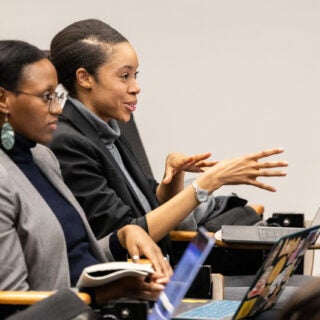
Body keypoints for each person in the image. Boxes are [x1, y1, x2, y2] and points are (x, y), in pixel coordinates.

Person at [49, 18, 288, 262]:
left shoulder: (107, 128)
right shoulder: (68, 142)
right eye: (124, 76)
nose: (136, 87)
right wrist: (210, 181)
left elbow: (152, 205)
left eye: (135, 75)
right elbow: (129, 234)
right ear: (85, 78)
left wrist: (174, 178)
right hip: (128, 288)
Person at [0, 39, 171, 306]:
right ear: (3, 99)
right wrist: (101, 294)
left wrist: (123, 236)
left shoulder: (42, 157)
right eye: (46, 97)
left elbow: (72, 257)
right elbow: (13, 303)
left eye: (57, 96)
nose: (57, 109)